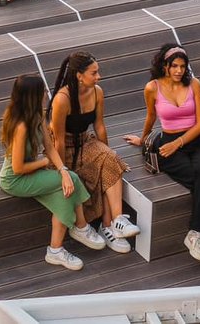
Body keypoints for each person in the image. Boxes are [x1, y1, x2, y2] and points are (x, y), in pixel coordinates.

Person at [124, 45, 200, 265]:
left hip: (194, 141)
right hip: (167, 142)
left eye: (183, 66)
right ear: (165, 66)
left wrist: (179, 143)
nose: (179, 71)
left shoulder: (194, 84)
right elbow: (151, 116)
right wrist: (143, 139)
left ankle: (195, 233)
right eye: (175, 66)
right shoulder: (152, 88)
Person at [0, 74, 104, 271]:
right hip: (15, 180)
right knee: (72, 178)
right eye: (44, 91)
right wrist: (46, 163)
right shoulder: (20, 126)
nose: (48, 94)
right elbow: (17, 168)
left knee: (65, 190)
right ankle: (81, 227)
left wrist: (62, 169)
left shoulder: (36, 115)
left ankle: (55, 250)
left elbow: (50, 145)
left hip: (31, 171)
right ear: (33, 95)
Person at [48, 51, 141, 252]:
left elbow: (99, 126)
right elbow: (59, 140)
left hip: (85, 141)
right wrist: (63, 170)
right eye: (94, 73)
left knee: (111, 159)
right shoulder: (62, 99)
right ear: (79, 76)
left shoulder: (97, 92)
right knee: (88, 171)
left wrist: (106, 152)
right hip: (63, 148)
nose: (98, 77)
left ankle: (117, 221)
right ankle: (105, 226)